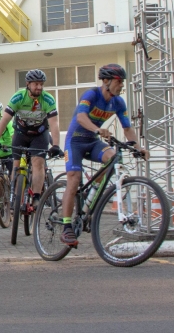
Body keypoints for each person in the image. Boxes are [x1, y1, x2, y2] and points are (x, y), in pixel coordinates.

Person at [59, 64, 149, 247]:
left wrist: (139, 147)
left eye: (122, 82)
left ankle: (92, 196)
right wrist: (98, 129)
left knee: (114, 157)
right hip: (75, 141)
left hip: (92, 141)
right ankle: (66, 226)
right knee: (74, 179)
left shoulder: (118, 102)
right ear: (106, 81)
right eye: (119, 81)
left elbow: (127, 128)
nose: (121, 85)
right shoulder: (91, 95)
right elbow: (81, 118)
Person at [0, 69, 61, 212]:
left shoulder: (48, 99)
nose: (39, 87)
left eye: (41, 84)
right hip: (20, 133)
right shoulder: (18, 97)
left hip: (39, 134)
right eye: (36, 84)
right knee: (16, 165)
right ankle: (14, 196)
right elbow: (5, 119)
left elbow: (54, 124)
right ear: (28, 84)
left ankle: (36, 197)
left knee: (38, 163)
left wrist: (55, 145)